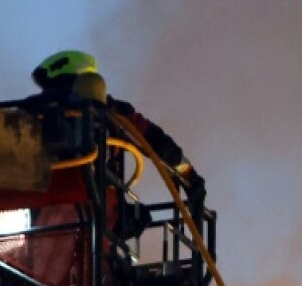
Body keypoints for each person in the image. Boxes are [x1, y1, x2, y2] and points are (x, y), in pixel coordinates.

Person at [28, 50, 206, 203]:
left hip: (96, 203)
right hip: (43, 202)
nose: (54, 95)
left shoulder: (115, 116)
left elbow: (158, 144)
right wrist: (191, 177)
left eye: (60, 87)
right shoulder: (32, 113)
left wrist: (190, 176)